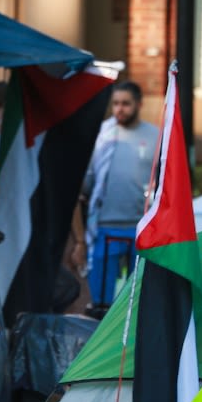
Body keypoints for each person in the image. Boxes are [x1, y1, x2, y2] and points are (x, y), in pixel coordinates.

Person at [76, 81, 158, 309]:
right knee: (100, 300)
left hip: (141, 228)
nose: (119, 109)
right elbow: (88, 180)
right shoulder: (102, 133)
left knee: (139, 300)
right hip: (104, 226)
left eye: (125, 104)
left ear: (139, 104)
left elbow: (163, 181)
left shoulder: (155, 136)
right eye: (115, 104)